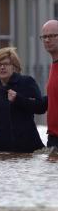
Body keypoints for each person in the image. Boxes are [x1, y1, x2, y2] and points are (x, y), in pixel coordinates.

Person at [0, 47, 46, 153]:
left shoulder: (26, 82)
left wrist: (18, 99)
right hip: (0, 150)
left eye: (6, 64)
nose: (2, 67)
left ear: (14, 66)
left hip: (27, 149)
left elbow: (41, 107)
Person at [40, 19, 58, 147]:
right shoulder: (53, 65)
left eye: (52, 36)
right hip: (53, 138)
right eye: (44, 37)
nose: (47, 40)